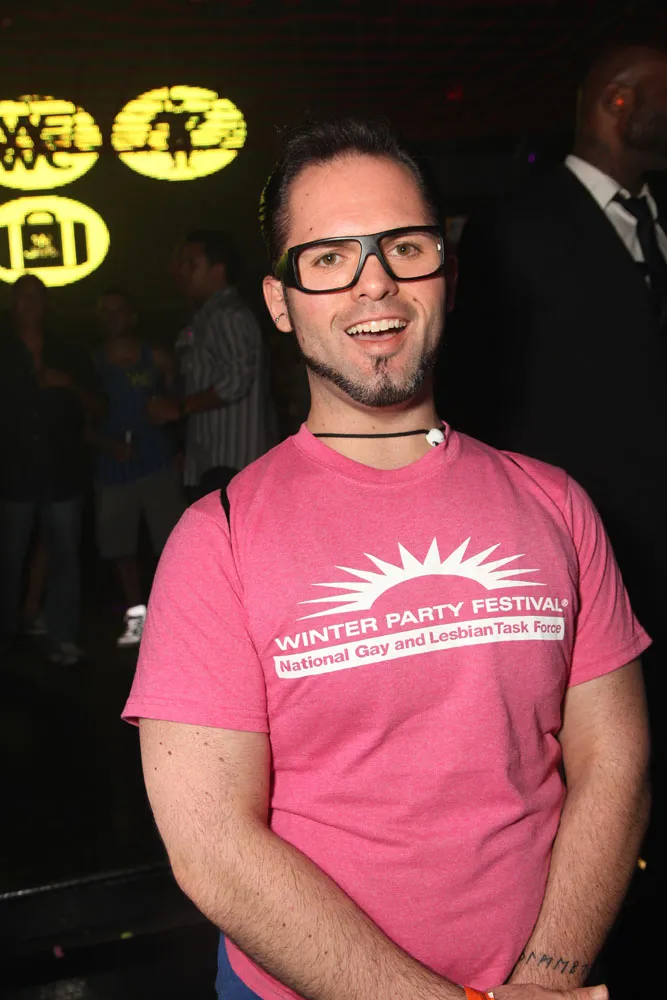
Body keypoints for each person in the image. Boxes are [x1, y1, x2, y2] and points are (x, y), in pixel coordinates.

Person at [124, 119, 650, 1000]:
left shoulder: (556, 504)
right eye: (329, 257)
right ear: (280, 301)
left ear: (447, 274)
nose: (374, 281)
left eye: (404, 247)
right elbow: (211, 844)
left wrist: (546, 976)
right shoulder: (216, 539)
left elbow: (615, 763)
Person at [438, 44, 667, 831]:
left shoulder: (660, 216)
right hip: (583, 543)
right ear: (619, 101)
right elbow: (480, 395)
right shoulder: (514, 227)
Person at [0, 274, 91, 664]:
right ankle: (6, 638)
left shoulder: (67, 348)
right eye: (23, 298)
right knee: (9, 558)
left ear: (46, 303)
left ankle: (61, 635)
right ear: (12, 304)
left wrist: (65, 382)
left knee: (64, 556)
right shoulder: (4, 349)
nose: (30, 305)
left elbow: (97, 404)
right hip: (13, 472)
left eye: (36, 297)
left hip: (61, 470)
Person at [147, 230, 276, 502]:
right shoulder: (205, 318)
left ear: (218, 270)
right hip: (213, 461)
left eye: (191, 264)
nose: (182, 271)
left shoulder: (227, 315)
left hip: (233, 463)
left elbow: (236, 381)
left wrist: (178, 408)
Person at [92, 288, 184, 648]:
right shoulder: (93, 363)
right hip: (114, 468)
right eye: (107, 311)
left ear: (132, 315)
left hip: (157, 461)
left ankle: (175, 613)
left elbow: (178, 402)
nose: (113, 317)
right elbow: (82, 418)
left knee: (172, 543)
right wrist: (106, 444)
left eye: (119, 310)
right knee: (122, 547)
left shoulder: (155, 356)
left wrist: (180, 445)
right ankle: (137, 614)